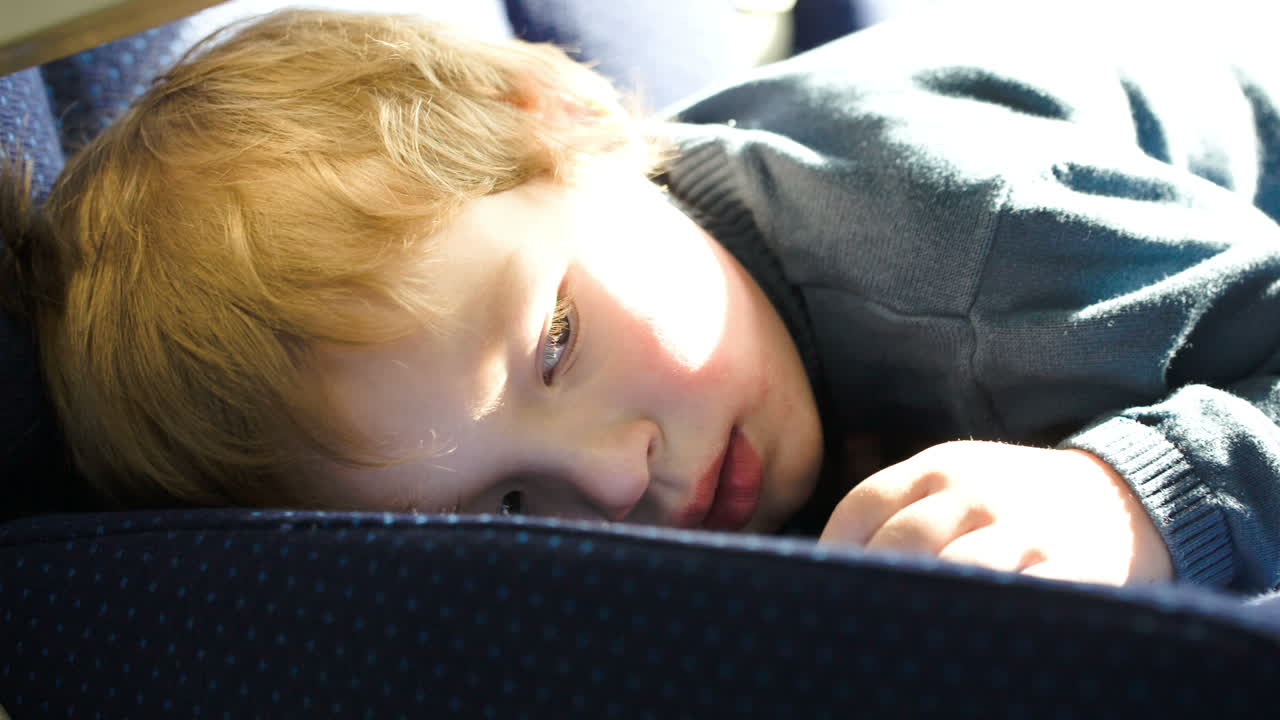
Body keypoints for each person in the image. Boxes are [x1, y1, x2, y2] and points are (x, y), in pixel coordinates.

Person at [3, 3, 1278, 593]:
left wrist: (1136, 493)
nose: (611, 485)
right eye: (505, 508)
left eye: (554, 342)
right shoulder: (676, 378)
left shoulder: (963, 237)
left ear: (563, 123)